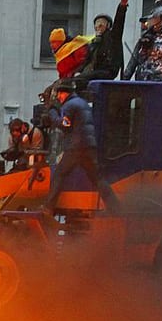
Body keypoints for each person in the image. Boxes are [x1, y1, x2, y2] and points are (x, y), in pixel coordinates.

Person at [42, 79, 120, 218]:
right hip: (89, 147)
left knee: (59, 174)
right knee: (97, 178)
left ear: (65, 93)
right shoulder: (82, 103)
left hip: (75, 147)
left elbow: (64, 124)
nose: (59, 97)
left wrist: (52, 112)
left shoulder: (70, 105)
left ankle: (48, 207)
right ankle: (115, 207)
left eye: (59, 94)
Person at [79, 0, 130, 82]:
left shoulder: (112, 37)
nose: (98, 27)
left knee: (81, 79)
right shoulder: (94, 42)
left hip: (107, 71)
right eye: (96, 25)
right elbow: (88, 60)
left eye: (101, 25)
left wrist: (122, 6)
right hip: (95, 72)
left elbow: (119, 23)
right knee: (75, 79)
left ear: (108, 26)